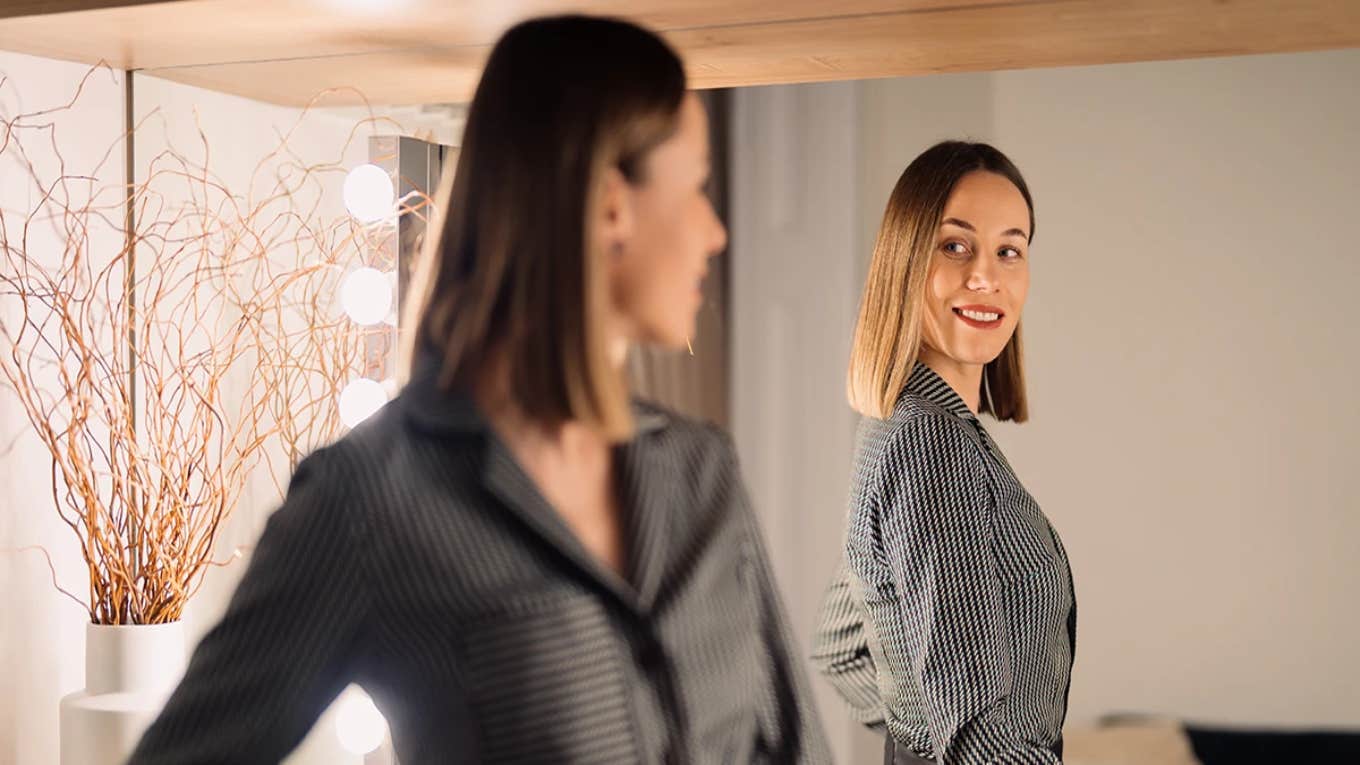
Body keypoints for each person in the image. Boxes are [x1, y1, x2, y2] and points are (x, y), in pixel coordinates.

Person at [130, 15, 829, 764]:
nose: (713, 231)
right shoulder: (370, 501)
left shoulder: (702, 473)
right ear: (608, 204)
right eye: (695, 187)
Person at [811, 141, 1076, 764]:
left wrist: (918, 742)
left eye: (1009, 250)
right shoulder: (931, 441)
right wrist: (935, 745)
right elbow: (981, 736)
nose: (986, 276)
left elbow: (840, 645)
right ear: (905, 261)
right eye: (955, 246)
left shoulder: (894, 425)